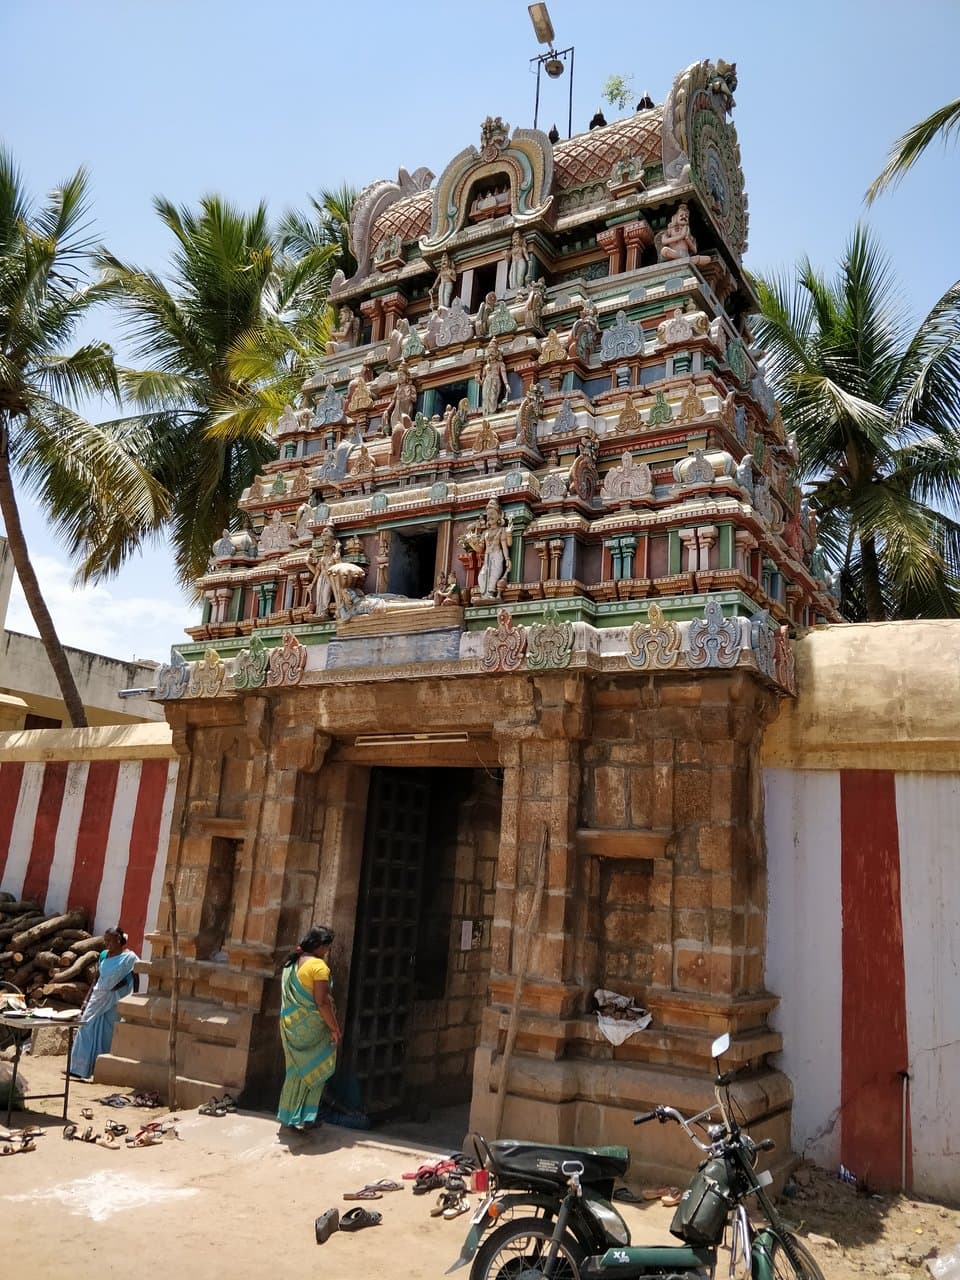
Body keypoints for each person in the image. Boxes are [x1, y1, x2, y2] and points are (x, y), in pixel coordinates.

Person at [277, 925, 341, 1132]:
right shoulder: (319, 968)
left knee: (295, 1070)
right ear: (320, 945)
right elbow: (321, 1003)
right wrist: (335, 1028)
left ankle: (289, 1116)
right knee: (315, 1069)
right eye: (327, 946)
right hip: (313, 1029)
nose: (327, 951)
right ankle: (306, 1117)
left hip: (291, 1027)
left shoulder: (291, 964)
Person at [68, 927, 138, 1080]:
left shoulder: (130, 958)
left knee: (106, 1034)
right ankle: (78, 1068)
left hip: (114, 1000)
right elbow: (96, 979)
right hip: (97, 997)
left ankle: (97, 1069)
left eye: (109, 941)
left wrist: (133, 1000)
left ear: (118, 940)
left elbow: (135, 979)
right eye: (105, 941)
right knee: (85, 1027)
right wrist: (86, 1000)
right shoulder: (104, 955)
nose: (106, 944)